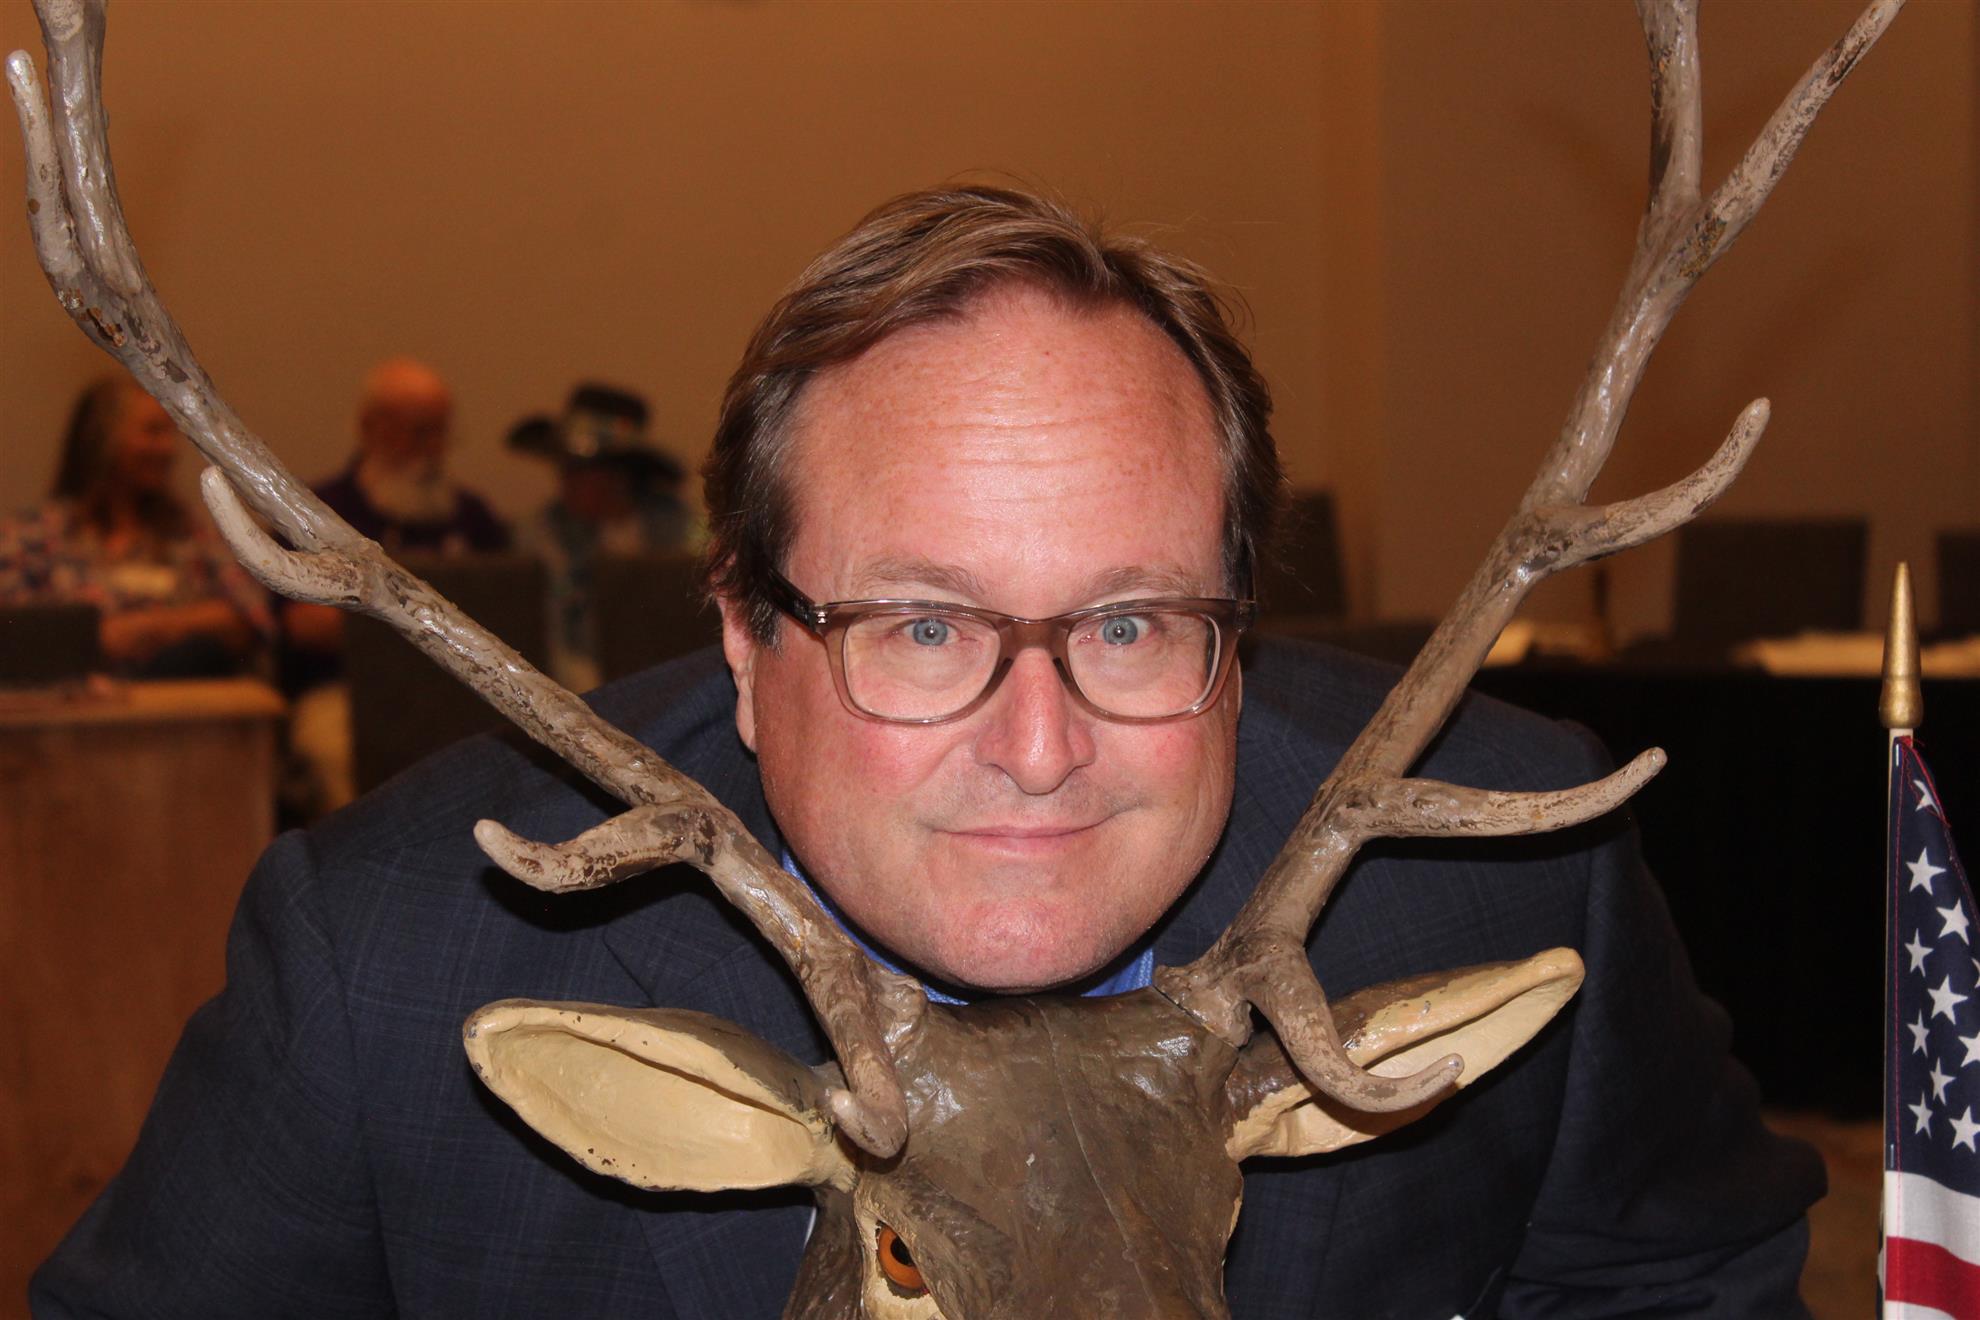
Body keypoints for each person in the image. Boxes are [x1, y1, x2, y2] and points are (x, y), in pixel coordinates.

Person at [32, 187, 1822, 1317]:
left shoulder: (1509, 872)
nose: (1039, 749)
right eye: (921, 628)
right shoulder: (385, 970)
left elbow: (1688, 1281)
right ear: (746, 640)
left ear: (1240, 625)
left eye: (1132, 623)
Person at [280, 357, 512, 817]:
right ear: (371, 428)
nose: (432, 449)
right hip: (345, 693)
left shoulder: (474, 518)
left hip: (460, 690)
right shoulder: (316, 512)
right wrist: (417, 623)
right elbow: (302, 624)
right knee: (335, 753)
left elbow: (508, 610)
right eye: (418, 432)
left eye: (441, 432)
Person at [0, 375, 271, 678]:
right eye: (152, 432)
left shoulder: (191, 532)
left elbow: (247, 615)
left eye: (170, 433)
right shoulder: (34, 535)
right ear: (102, 438)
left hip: (178, 694)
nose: (168, 448)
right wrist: (93, 639)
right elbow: (14, 632)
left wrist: (148, 627)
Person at [510, 383, 698, 690]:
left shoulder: (680, 531)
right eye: (564, 465)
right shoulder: (542, 536)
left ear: (620, 474)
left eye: (582, 468)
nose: (566, 479)